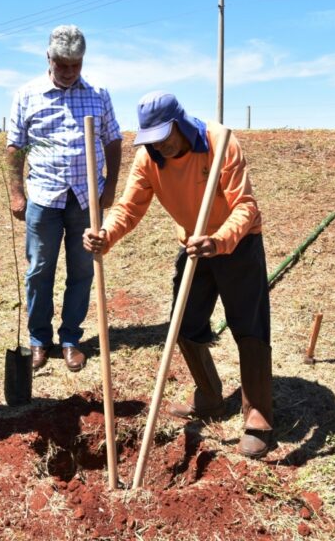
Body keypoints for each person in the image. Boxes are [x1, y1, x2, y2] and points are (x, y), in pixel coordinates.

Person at [83, 92, 274, 459]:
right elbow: (130, 206)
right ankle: (210, 396)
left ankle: (258, 414)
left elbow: (246, 206)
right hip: (193, 245)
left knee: (248, 326)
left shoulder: (219, 142)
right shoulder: (149, 158)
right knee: (184, 323)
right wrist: (105, 235)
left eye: (164, 136)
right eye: (150, 139)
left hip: (237, 242)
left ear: (180, 124)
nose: (160, 146)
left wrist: (219, 241)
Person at [6, 25, 122, 372]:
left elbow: (113, 141)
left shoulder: (98, 94)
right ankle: (39, 339)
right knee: (39, 270)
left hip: (86, 198)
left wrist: (110, 186)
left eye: (76, 65)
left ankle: (70, 338)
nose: (70, 72)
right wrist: (16, 193)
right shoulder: (28, 94)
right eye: (63, 65)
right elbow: (14, 147)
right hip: (44, 196)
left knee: (83, 269)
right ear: (49, 58)